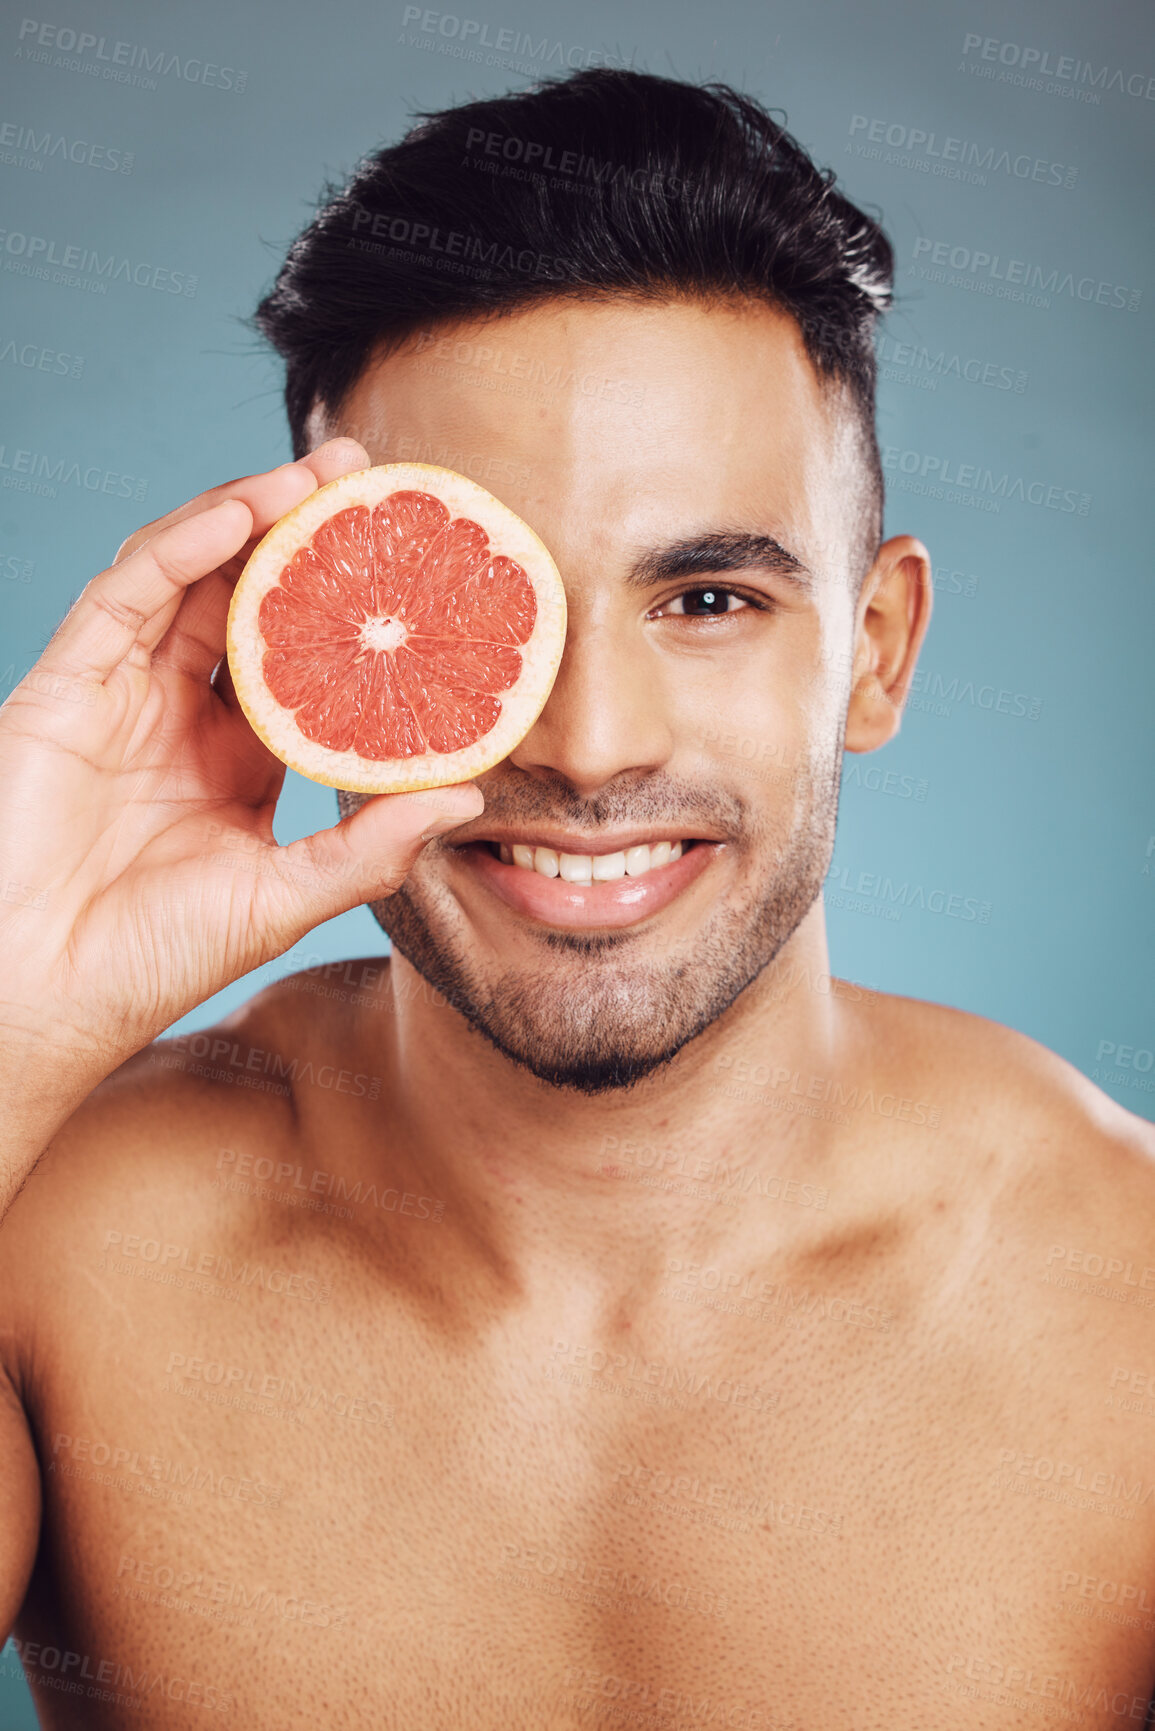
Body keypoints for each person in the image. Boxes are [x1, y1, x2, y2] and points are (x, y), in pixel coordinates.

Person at [1, 67, 1152, 1730]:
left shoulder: (1131, 1301)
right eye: (497, 604)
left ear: (877, 653)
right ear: (306, 639)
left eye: (705, 595)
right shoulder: (61, 1242)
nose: (591, 747)